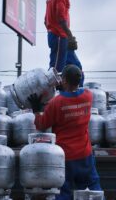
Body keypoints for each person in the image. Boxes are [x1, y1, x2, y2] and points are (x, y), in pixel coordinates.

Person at [27, 65, 102, 200]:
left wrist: (36, 110)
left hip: (64, 156)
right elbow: (74, 95)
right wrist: (65, 89)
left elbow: (42, 124)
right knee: (92, 187)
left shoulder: (56, 103)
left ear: (65, 81)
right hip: (85, 154)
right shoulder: (88, 96)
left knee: (63, 191)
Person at [45, 0, 85, 87]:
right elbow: (61, 17)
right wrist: (70, 36)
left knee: (77, 68)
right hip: (59, 36)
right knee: (56, 72)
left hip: (58, 36)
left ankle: (75, 95)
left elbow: (45, 20)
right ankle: (51, 96)